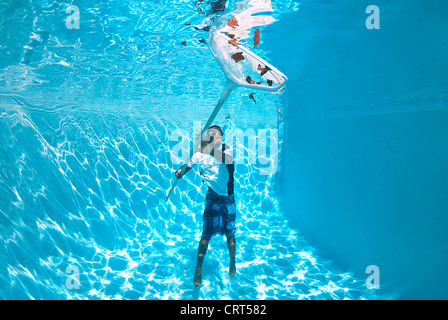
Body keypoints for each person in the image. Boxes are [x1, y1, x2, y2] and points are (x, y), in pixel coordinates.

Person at [175, 125, 236, 288]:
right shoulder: (200, 152)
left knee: (230, 233)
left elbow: (227, 160)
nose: (215, 138)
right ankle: (198, 268)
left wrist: (206, 148)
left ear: (222, 137)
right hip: (212, 196)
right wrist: (180, 172)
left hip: (227, 196)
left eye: (218, 135)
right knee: (206, 234)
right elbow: (187, 166)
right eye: (211, 135)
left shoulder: (226, 149)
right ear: (207, 137)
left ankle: (232, 261)